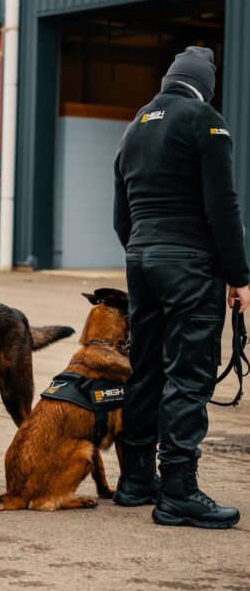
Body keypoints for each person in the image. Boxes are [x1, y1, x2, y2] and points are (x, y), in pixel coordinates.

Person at [113, 45, 250, 528]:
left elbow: (120, 215)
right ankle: (178, 491)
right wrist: (239, 275)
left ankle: (134, 480)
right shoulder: (204, 118)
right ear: (206, 84)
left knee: (146, 369)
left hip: (141, 260)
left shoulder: (134, 126)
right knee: (188, 374)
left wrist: (144, 253)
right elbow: (223, 206)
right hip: (189, 263)